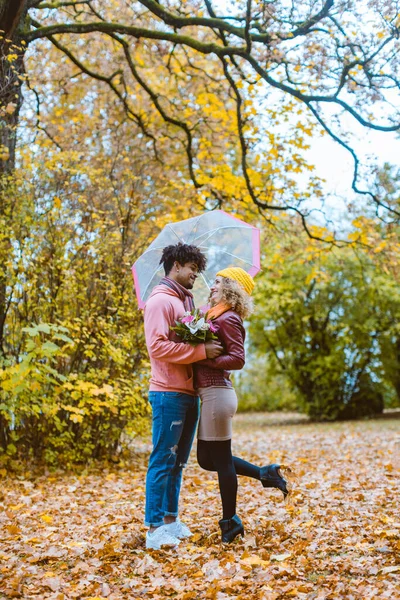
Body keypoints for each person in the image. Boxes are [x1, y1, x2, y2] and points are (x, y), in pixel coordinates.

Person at [195, 267, 290, 543]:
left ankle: (230, 522)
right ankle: (265, 473)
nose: (212, 286)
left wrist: (204, 359)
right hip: (211, 394)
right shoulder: (214, 315)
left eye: (217, 282)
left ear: (230, 288)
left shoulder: (229, 319)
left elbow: (237, 359)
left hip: (217, 394)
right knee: (206, 460)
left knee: (222, 461)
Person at [143, 242, 223, 550]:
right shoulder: (160, 302)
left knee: (178, 463)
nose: (195, 275)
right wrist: (200, 349)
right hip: (167, 393)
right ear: (176, 265)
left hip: (189, 392)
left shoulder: (185, 302)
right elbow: (158, 347)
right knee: (163, 459)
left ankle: (170, 520)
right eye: (192, 269)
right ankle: (153, 530)